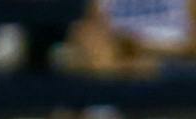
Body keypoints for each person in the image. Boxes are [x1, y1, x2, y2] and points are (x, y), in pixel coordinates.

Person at [64, 0, 195, 77]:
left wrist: (140, 48)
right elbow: (92, 32)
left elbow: (192, 46)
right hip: (116, 60)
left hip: (173, 63)